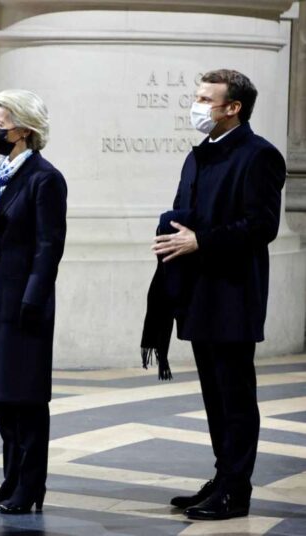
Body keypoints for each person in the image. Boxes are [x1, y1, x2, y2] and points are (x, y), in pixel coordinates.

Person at [149, 69, 285, 521]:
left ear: (234, 108)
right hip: (199, 290)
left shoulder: (259, 156)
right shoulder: (199, 155)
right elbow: (189, 209)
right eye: (198, 96)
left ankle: (236, 489)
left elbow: (262, 225)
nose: (197, 104)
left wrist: (200, 241)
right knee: (213, 393)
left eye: (206, 98)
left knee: (235, 394)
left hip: (232, 293)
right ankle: (224, 475)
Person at [0, 89, 67, 515]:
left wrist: (32, 300)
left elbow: (49, 247)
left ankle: (30, 487)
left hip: (24, 304)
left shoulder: (45, 179)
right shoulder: (0, 174)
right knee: (3, 395)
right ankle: (10, 481)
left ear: (24, 130)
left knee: (26, 399)